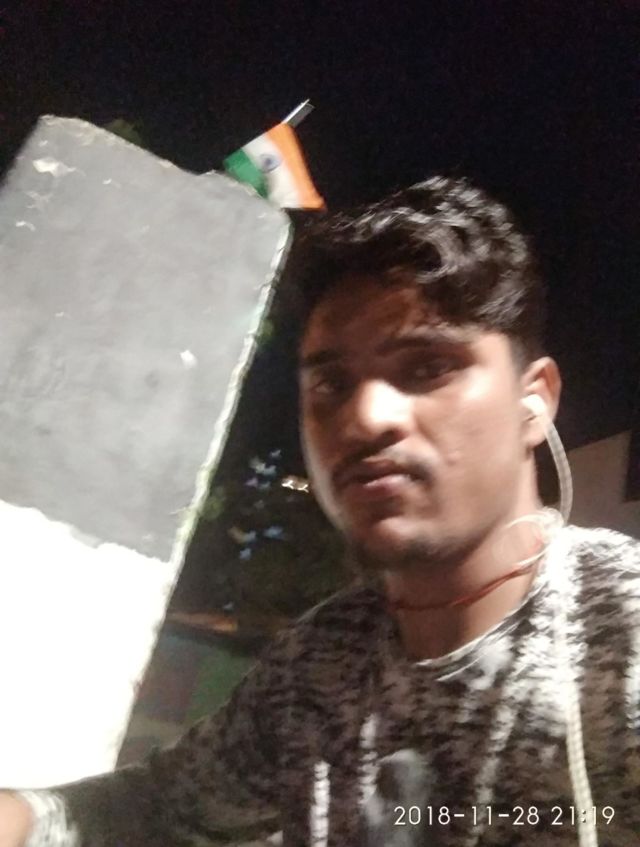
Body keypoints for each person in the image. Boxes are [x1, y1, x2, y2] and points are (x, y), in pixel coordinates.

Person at [1, 176, 638, 847]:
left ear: (535, 401)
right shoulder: (319, 661)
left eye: (426, 367)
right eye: (332, 383)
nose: (366, 417)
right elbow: (158, 808)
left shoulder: (619, 636)